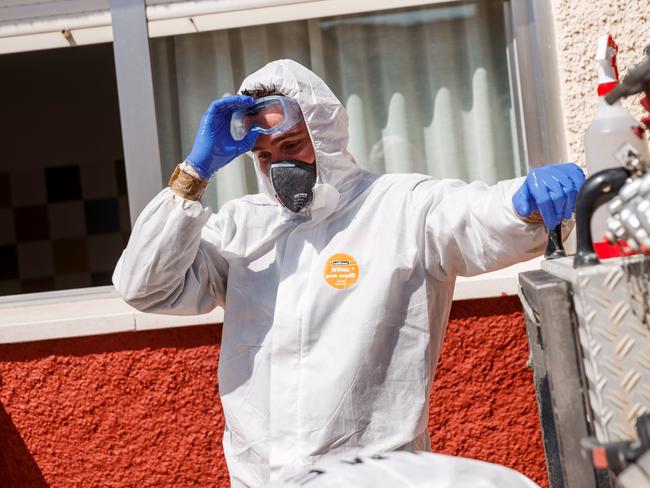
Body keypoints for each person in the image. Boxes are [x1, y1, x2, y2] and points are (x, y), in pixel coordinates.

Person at [113, 59, 584, 487]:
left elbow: (474, 216)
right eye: (264, 157)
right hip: (260, 480)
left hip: (376, 479)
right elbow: (144, 286)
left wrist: (524, 204)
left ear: (326, 135)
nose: (280, 166)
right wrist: (194, 173)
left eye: (292, 145)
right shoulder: (243, 227)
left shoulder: (400, 207)